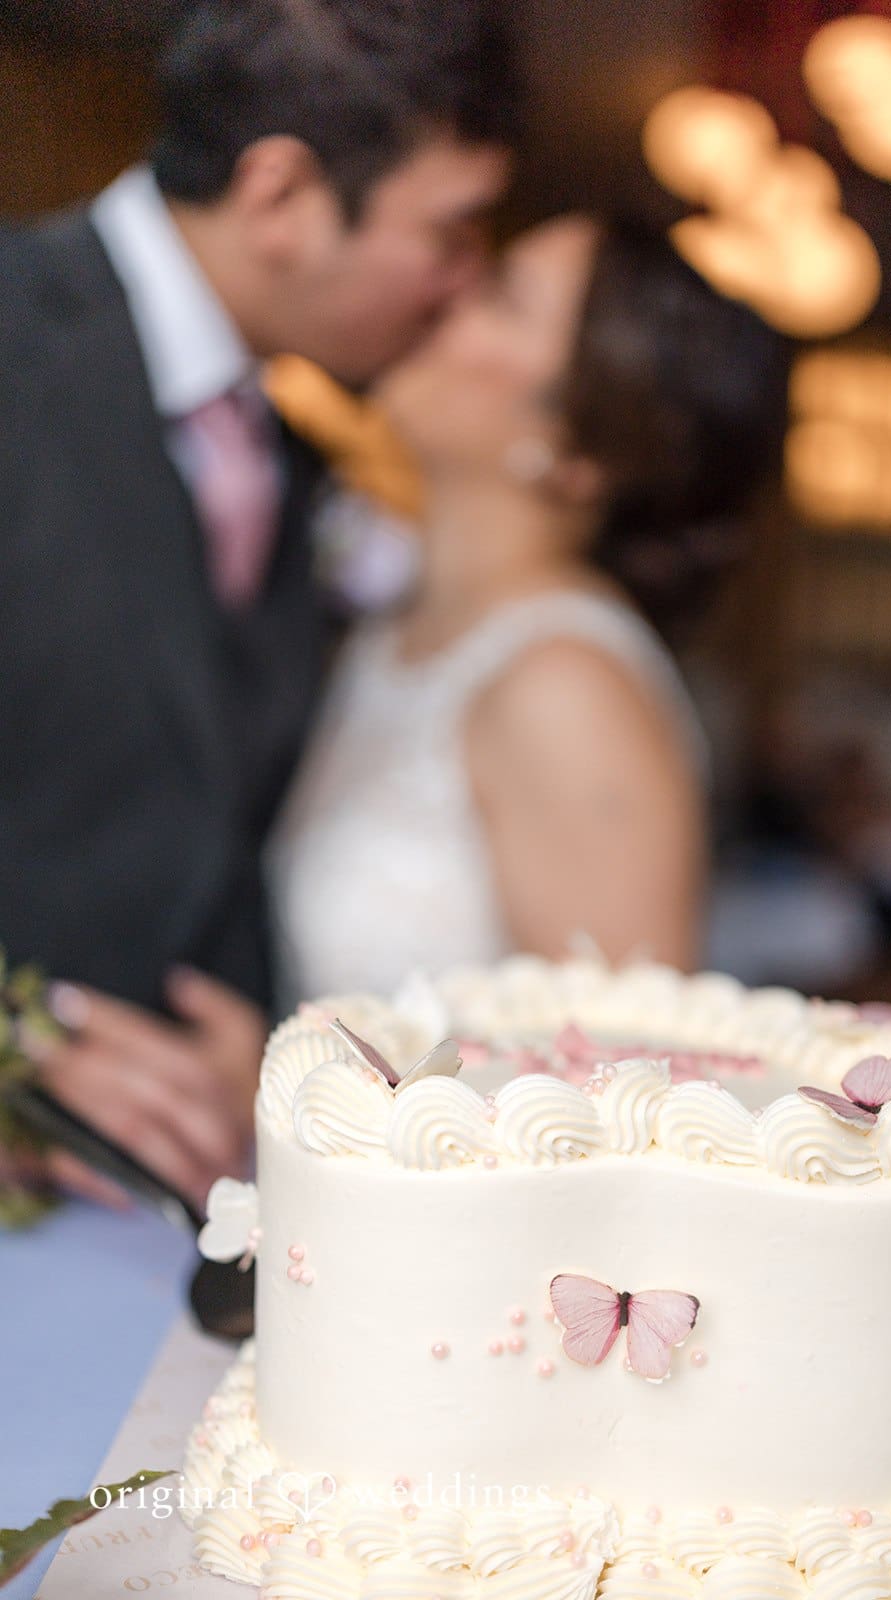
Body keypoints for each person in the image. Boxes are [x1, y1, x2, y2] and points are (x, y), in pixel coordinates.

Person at [0, 0, 514, 1208]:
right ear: (280, 196)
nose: (463, 284)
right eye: (450, 231)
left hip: (189, 1218)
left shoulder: (289, 451)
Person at [268, 215, 785, 998]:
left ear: (578, 450)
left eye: (500, 296)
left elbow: (618, 1090)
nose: (444, 291)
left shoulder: (565, 688)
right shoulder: (398, 632)